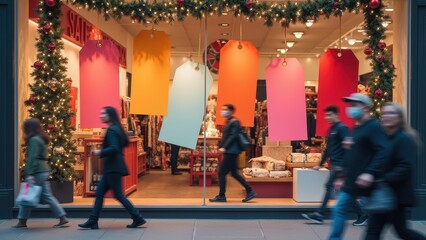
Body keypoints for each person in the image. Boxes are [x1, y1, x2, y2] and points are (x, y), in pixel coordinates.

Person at [328, 93, 389, 240]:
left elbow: (383, 151)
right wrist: (341, 176)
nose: (351, 108)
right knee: (339, 209)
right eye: (350, 105)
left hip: (369, 183)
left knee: (379, 220)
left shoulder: (374, 127)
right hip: (352, 181)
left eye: (355, 105)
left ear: (366, 107)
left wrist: (369, 172)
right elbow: (352, 155)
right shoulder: (356, 127)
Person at [365, 103, 426, 240]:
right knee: (374, 232)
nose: (386, 116)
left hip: (396, 196)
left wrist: (384, 180)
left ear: (399, 118)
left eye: (391, 113)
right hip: (385, 194)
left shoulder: (403, 139)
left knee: (401, 232)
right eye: (384, 113)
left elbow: (405, 166)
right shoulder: (385, 138)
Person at [78, 107, 145, 229]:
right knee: (100, 193)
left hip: (112, 167)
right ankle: (93, 220)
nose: (101, 115)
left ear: (110, 115)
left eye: (103, 113)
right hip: (114, 167)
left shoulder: (111, 130)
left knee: (116, 195)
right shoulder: (117, 128)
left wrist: (100, 152)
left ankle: (137, 217)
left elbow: (114, 147)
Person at [302, 105, 365, 225]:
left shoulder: (342, 129)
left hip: (340, 166)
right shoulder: (331, 130)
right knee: (345, 191)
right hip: (335, 165)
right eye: (326, 115)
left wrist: (344, 167)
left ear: (336, 115)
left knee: (330, 187)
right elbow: (328, 149)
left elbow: (348, 148)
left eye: (329, 115)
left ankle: (319, 214)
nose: (327, 117)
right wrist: (320, 164)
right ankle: (362, 213)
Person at [14, 118, 69, 228]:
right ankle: (62, 217)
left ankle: (22, 221)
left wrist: (29, 174)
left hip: (37, 171)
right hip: (44, 169)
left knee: (27, 196)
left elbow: (32, 158)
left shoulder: (34, 140)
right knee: (48, 196)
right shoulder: (41, 139)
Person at [209, 104, 257, 203]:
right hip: (231, 151)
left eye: (225, 109)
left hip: (231, 151)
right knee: (234, 174)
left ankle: (222, 196)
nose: (222, 111)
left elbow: (233, 136)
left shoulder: (234, 122)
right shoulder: (228, 121)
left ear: (231, 111)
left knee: (221, 173)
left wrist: (224, 147)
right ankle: (250, 191)